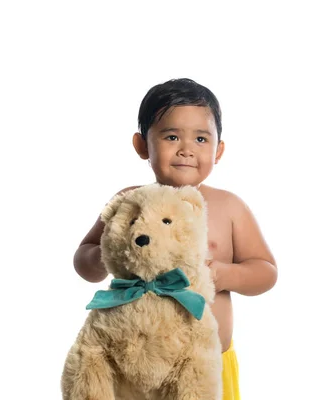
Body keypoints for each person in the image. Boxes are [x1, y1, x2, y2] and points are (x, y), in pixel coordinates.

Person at [73, 78, 277, 399]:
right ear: (142, 145)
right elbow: (83, 257)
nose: (186, 149)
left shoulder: (229, 206)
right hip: (134, 368)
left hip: (205, 366)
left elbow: (266, 271)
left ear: (218, 150)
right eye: (171, 136)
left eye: (200, 138)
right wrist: (108, 255)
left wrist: (224, 274)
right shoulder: (129, 201)